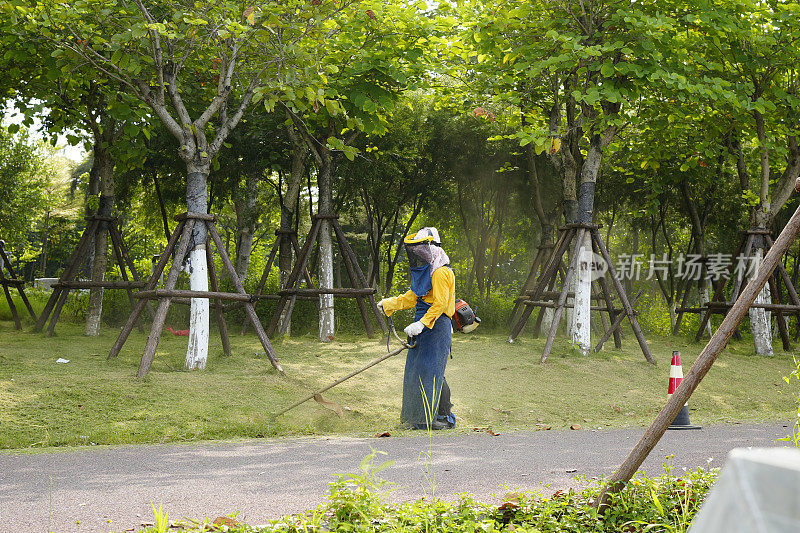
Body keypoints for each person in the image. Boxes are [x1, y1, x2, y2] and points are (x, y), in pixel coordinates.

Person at [379, 227, 456, 430]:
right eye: (416, 249)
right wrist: (389, 303)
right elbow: (413, 296)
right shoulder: (427, 271)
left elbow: (440, 304)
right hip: (421, 327)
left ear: (432, 247)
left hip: (437, 327)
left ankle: (441, 418)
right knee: (417, 372)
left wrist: (421, 323)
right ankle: (418, 418)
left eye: (422, 248)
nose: (418, 253)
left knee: (432, 372)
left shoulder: (441, 272)